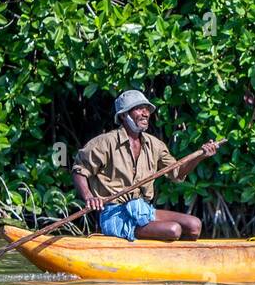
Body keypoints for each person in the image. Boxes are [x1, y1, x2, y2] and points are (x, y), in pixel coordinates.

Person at [71, 89, 218, 242]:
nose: (146, 113)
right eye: (139, 108)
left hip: (143, 209)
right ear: (123, 115)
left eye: (147, 109)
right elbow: (79, 170)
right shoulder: (104, 143)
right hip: (115, 213)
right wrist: (89, 197)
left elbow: (178, 173)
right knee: (173, 230)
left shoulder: (154, 144)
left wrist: (200, 156)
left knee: (194, 226)